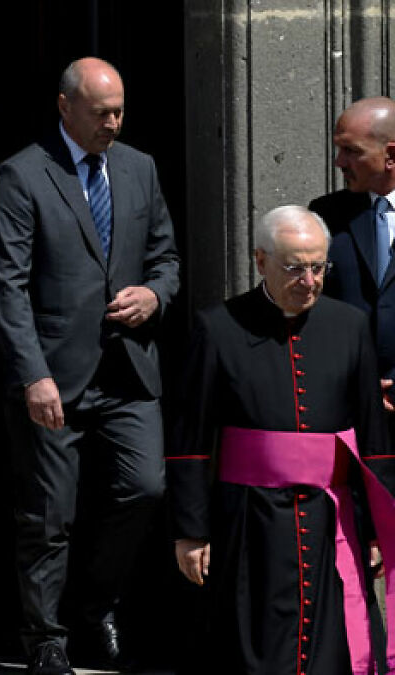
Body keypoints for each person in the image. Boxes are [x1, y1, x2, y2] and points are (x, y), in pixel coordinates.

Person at [0, 57, 180, 674]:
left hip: (128, 370)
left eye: (119, 111)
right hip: (54, 374)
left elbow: (166, 259)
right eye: (101, 113)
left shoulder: (139, 168)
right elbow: (6, 284)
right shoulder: (23, 174)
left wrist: (154, 295)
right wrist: (32, 374)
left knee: (145, 488)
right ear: (65, 107)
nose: (113, 123)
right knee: (48, 513)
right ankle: (45, 634)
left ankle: (94, 605)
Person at [168, 205, 395, 674]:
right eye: (294, 268)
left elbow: (373, 436)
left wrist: (375, 529)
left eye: (318, 267)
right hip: (247, 521)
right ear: (260, 261)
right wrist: (191, 530)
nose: (309, 281)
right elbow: (190, 438)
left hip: (330, 521)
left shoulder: (350, 326)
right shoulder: (218, 327)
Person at [310, 97, 395, 428]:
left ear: (391, 155)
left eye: (351, 151)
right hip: (345, 409)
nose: (338, 162)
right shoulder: (326, 215)